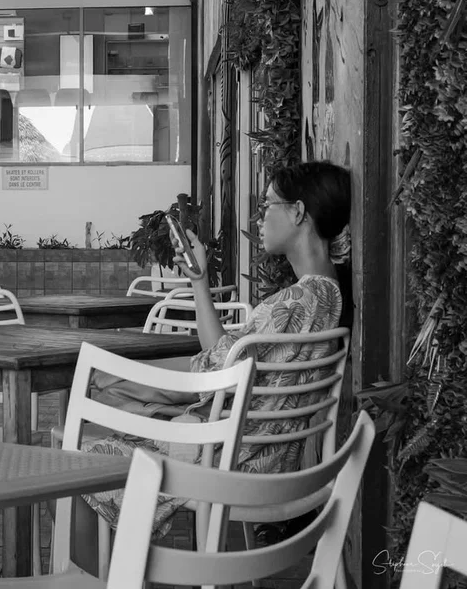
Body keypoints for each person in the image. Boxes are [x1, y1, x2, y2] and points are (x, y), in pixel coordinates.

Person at [69, 161, 353, 568]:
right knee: (118, 418)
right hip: (263, 457)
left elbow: (211, 375)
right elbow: (222, 358)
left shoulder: (294, 301)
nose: (259, 217)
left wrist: (123, 382)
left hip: (226, 460)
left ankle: (100, 577)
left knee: (81, 466)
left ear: (298, 212)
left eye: (268, 205)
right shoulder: (327, 297)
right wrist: (199, 280)